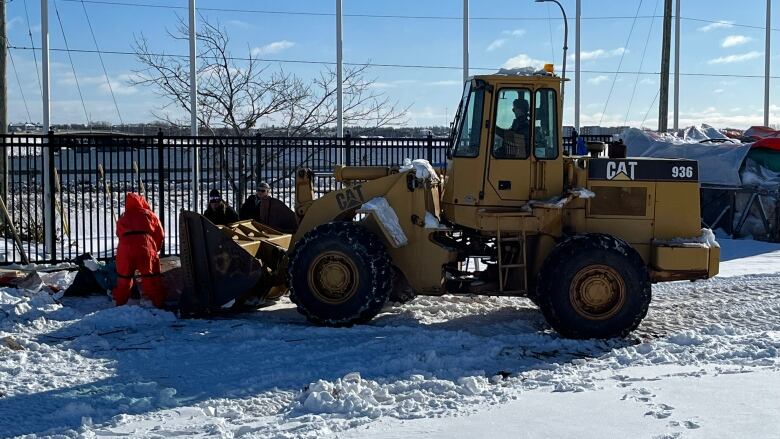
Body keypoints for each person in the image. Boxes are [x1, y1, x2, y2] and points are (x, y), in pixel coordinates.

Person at [112, 192, 166, 308]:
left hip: (125, 249)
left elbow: (119, 234)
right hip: (145, 247)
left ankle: (120, 305)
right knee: (151, 278)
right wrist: (155, 248)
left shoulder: (123, 217)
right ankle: (158, 304)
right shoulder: (149, 215)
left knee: (124, 279)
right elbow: (159, 234)